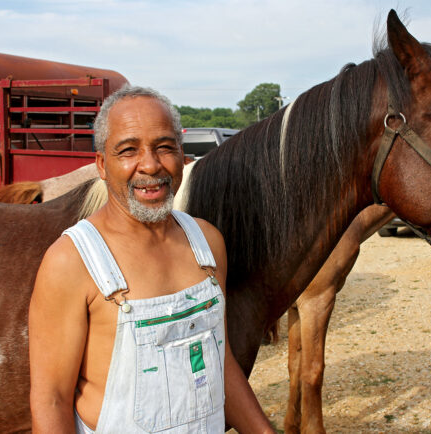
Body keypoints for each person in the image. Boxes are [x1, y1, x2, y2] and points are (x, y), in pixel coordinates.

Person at [29, 84, 274, 433]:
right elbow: (51, 399)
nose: (150, 165)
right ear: (101, 164)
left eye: (164, 147)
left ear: (182, 155)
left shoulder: (207, 244)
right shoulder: (72, 261)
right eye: (128, 150)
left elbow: (219, 363)